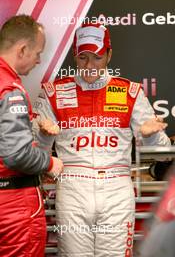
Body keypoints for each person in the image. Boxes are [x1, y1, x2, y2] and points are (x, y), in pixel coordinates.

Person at [32, 22, 170, 257]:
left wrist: (152, 135)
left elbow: (163, 153)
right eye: (83, 57)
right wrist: (44, 137)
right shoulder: (53, 93)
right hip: (73, 188)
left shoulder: (131, 92)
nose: (89, 65)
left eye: (96, 57)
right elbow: (34, 154)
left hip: (116, 188)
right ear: (75, 56)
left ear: (109, 54)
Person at [0, 15, 63, 257]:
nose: (39, 60)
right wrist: (50, 163)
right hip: (14, 206)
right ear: (23, 49)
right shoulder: (10, 89)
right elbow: (16, 154)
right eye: (38, 53)